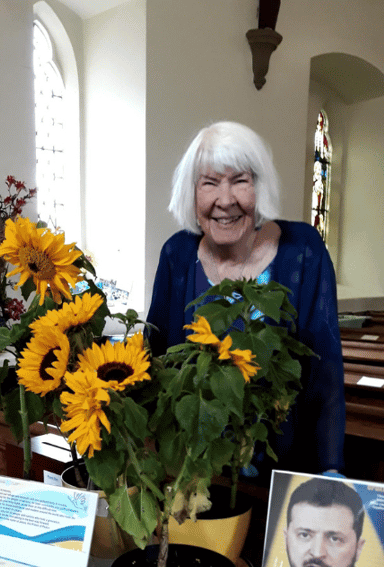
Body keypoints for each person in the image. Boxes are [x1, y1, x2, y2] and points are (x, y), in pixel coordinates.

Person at [146, 121, 345, 476]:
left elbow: (324, 372)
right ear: (192, 194)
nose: (225, 200)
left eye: (240, 181)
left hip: (282, 466)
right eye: (210, 183)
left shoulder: (303, 251)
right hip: (193, 472)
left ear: (259, 187)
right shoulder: (177, 254)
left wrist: (329, 468)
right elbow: (156, 359)